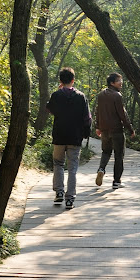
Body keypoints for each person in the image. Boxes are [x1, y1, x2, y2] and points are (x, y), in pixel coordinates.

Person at [47, 67, 91, 209]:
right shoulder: (81, 96)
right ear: (73, 80)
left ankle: (59, 192)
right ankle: (70, 198)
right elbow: (87, 118)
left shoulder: (56, 95)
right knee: (72, 168)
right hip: (75, 137)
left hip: (59, 135)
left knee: (58, 164)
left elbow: (50, 109)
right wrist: (86, 133)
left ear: (60, 80)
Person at [95, 72, 135, 189]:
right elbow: (122, 114)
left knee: (106, 152)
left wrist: (98, 127)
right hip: (116, 130)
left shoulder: (101, 94)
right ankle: (116, 181)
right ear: (112, 83)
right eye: (118, 81)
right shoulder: (117, 96)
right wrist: (130, 128)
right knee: (118, 155)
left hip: (104, 130)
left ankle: (101, 169)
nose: (121, 83)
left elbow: (98, 112)